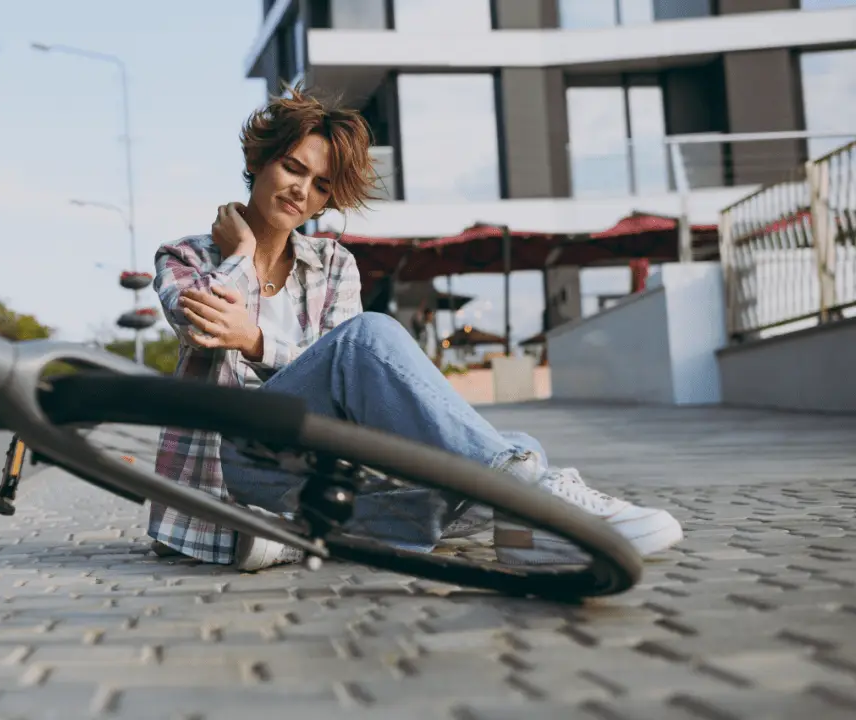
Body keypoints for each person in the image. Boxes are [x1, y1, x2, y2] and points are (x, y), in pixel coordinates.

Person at [148, 86, 683, 571]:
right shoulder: (187, 255)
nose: (301, 192)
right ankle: (532, 494)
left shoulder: (333, 265)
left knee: (510, 444)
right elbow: (202, 324)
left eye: (320, 185)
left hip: (316, 468)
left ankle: (507, 528)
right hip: (237, 464)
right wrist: (241, 253)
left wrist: (258, 341)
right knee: (369, 339)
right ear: (260, 160)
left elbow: (344, 386)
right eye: (293, 168)